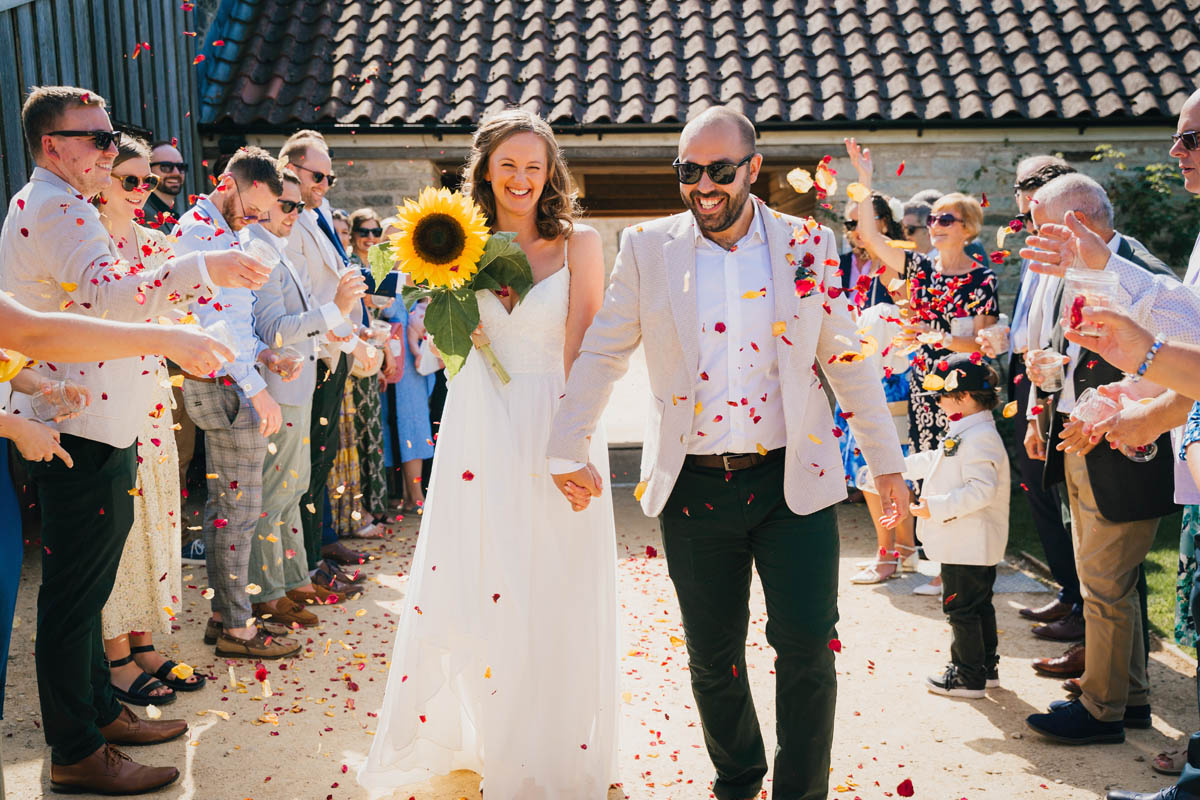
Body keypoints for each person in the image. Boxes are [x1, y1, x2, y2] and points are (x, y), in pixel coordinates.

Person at [546, 107, 909, 800]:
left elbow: (847, 357)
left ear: (751, 168)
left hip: (789, 484)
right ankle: (738, 781)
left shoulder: (807, 242)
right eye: (689, 171)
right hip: (694, 488)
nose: (703, 186)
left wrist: (885, 464)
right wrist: (566, 444)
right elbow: (603, 351)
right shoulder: (647, 249)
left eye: (718, 171)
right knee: (714, 660)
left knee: (807, 648)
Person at [0, 84, 265, 796]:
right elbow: (113, 296)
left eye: (112, 136)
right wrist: (198, 271)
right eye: (96, 139)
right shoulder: (54, 205)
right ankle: (77, 750)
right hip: (78, 428)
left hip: (95, 419)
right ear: (52, 146)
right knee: (73, 599)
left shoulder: (63, 203)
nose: (111, 150)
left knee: (86, 595)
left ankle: (99, 713)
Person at [360, 108, 618, 798]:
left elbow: (589, 346)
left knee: (554, 585)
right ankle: (493, 740)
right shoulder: (453, 247)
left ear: (551, 172)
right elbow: (447, 345)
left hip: (553, 422)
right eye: (508, 165)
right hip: (479, 425)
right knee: (485, 583)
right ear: (483, 170)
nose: (522, 178)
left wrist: (574, 443)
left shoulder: (580, 244)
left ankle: (552, 745)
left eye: (535, 166)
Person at [1021, 174, 1173, 745]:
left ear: (1076, 224)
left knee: (1105, 585)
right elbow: (1084, 352)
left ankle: (1100, 709)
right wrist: (1050, 372)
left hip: (1126, 448)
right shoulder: (1080, 269)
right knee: (1106, 582)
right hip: (1082, 440)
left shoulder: (1143, 272)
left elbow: (1169, 358)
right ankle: (1129, 697)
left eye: (1042, 233)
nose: (1036, 246)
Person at [846, 138, 998, 598]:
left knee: (964, 474)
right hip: (923, 386)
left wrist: (938, 337)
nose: (934, 226)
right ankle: (938, 562)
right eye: (932, 219)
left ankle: (952, 568)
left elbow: (985, 343)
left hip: (964, 390)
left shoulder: (980, 278)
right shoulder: (922, 269)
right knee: (933, 471)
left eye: (945, 219)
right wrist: (867, 182)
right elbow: (870, 238)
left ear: (968, 228)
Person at [173, 145, 302, 660]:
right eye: (251, 208)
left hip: (233, 378)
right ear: (228, 181)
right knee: (238, 511)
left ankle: (225, 615)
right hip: (226, 387)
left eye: (262, 215)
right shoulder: (201, 232)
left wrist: (266, 355)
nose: (254, 220)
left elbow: (235, 320)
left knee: (233, 509)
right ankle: (238, 631)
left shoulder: (226, 230)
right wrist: (256, 389)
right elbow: (212, 326)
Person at [92, 136, 205, 705]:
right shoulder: (87, 244)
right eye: (129, 180)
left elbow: (184, 306)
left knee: (154, 518)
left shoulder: (156, 242)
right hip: (106, 398)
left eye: (145, 180)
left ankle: (143, 642)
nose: (142, 191)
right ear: (102, 179)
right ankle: (114, 655)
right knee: (119, 528)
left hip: (157, 399)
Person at [246, 170, 367, 623]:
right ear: (264, 202)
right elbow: (274, 329)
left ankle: (294, 577)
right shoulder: (258, 250)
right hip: (276, 389)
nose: (297, 214)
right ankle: (267, 590)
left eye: (300, 206)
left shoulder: (279, 249)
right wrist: (335, 308)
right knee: (274, 493)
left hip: (297, 383)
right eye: (289, 205)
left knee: (294, 489)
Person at [979, 156, 1081, 648]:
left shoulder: (1069, 247)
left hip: (1058, 379)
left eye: (1021, 189)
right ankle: (1068, 588)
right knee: (1038, 488)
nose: (1018, 203)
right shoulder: (1034, 246)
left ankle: (1083, 603)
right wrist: (1007, 335)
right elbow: (1034, 315)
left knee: (1061, 492)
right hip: (1029, 374)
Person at [281, 133, 391, 578]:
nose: (326, 183)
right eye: (318, 175)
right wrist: (350, 337)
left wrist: (358, 330)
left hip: (338, 343)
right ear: (291, 168)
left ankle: (320, 544)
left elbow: (334, 282)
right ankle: (307, 562)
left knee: (323, 457)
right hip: (315, 348)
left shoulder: (319, 212)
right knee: (310, 461)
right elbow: (303, 297)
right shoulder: (289, 222)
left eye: (330, 175)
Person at [866, 354, 1009, 695]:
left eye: (941, 395)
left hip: (969, 541)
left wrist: (934, 507)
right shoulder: (969, 429)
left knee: (961, 609)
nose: (938, 402)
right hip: (968, 542)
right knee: (978, 605)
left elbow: (981, 490)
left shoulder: (981, 437)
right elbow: (936, 459)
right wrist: (896, 466)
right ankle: (985, 668)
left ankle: (967, 675)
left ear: (966, 396)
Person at [836, 193, 919, 584]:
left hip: (888, 376)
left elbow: (912, 314)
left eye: (859, 224)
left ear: (882, 224)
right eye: (849, 225)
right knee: (863, 465)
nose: (853, 232)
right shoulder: (844, 265)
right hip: (855, 372)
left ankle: (894, 553)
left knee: (882, 463)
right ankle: (901, 551)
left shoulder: (894, 264)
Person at [379, 218, 435, 513]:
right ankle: (398, 491)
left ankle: (416, 491)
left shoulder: (418, 277)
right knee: (388, 425)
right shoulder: (379, 278)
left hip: (412, 364)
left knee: (413, 422)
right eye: (387, 240)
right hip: (385, 359)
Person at [347, 208, 394, 530]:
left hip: (374, 354)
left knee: (375, 433)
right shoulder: (349, 266)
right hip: (351, 359)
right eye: (364, 232)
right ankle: (362, 511)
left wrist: (384, 356)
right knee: (358, 437)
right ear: (352, 235)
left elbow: (382, 316)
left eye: (375, 232)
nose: (371, 238)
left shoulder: (379, 265)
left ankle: (378, 506)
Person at [145, 139, 186, 225]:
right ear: (148, 169)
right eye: (166, 166)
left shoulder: (172, 214)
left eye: (180, 167)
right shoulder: (144, 215)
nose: (176, 173)